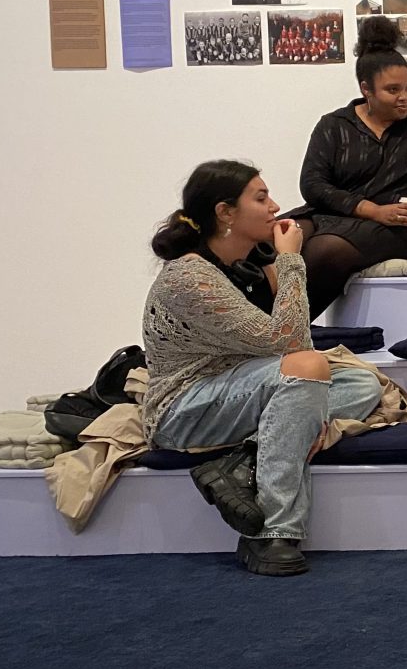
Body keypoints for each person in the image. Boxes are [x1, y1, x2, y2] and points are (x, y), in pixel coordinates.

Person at [142, 161, 386, 576]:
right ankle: (272, 532)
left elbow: (295, 349)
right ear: (225, 213)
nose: (275, 207)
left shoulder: (251, 266)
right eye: (260, 198)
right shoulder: (189, 276)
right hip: (183, 408)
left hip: (246, 388)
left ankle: (244, 458)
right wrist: (291, 262)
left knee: (362, 383)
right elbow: (291, 345)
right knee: (308, 371)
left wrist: (276, 269)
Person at [284, 16, 407, 319]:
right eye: (393, 90)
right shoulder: (334, 125)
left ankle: (284, 330)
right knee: (276, 233)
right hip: (337, 216)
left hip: (402, 230)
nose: (405, 98)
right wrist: (370, 209)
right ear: (367, 89)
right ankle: (243, 326)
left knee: (325, 250)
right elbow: (312, 184)